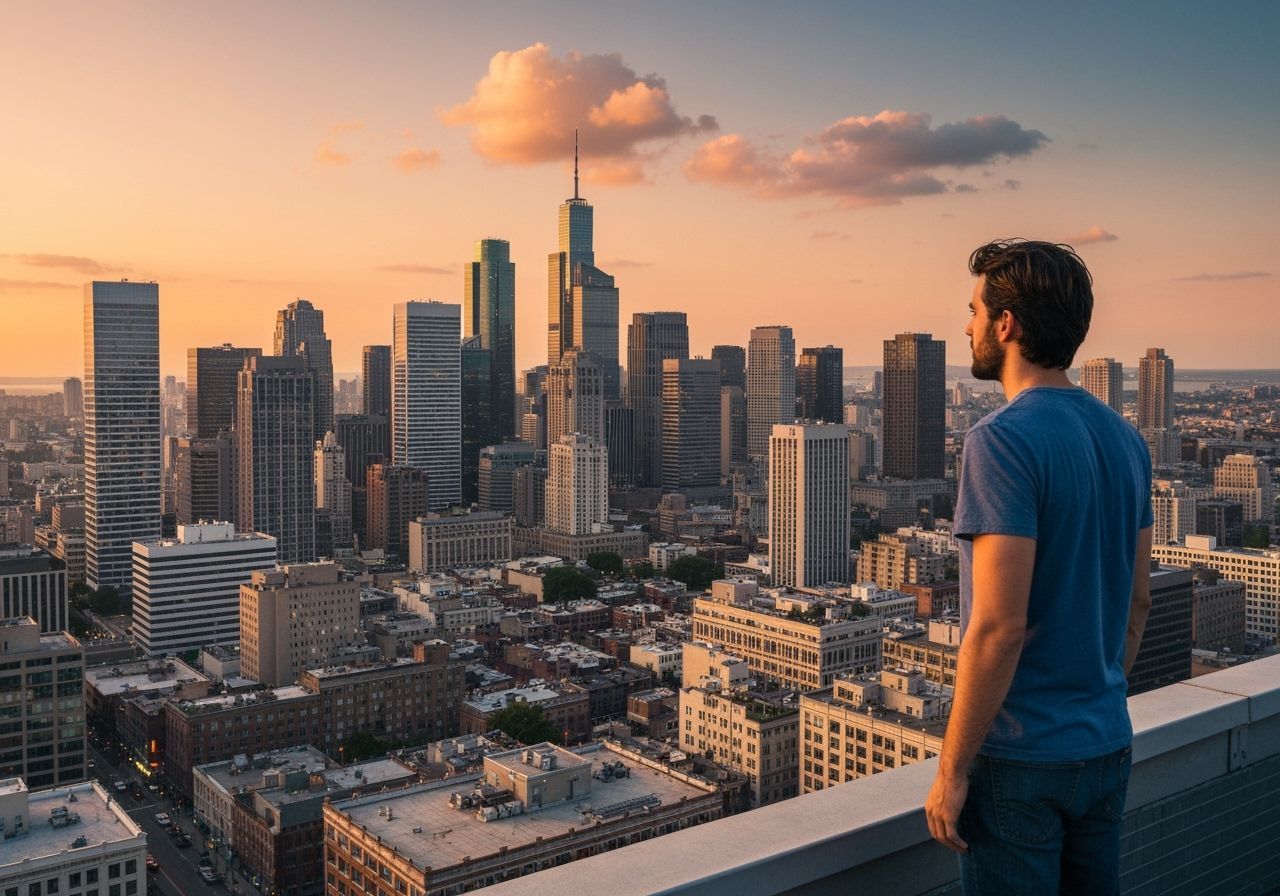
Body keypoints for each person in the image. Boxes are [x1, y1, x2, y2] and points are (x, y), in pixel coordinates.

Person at [924, 239, 1154, 895]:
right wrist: (1093, 696)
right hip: (1106, 745)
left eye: (972, 311)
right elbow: (1138, 602)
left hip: (1021, 759)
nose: (965, 326)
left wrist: (953, 769)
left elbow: (998, 626)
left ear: (1006, 324)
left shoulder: (1001, 440)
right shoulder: (1126, 439)